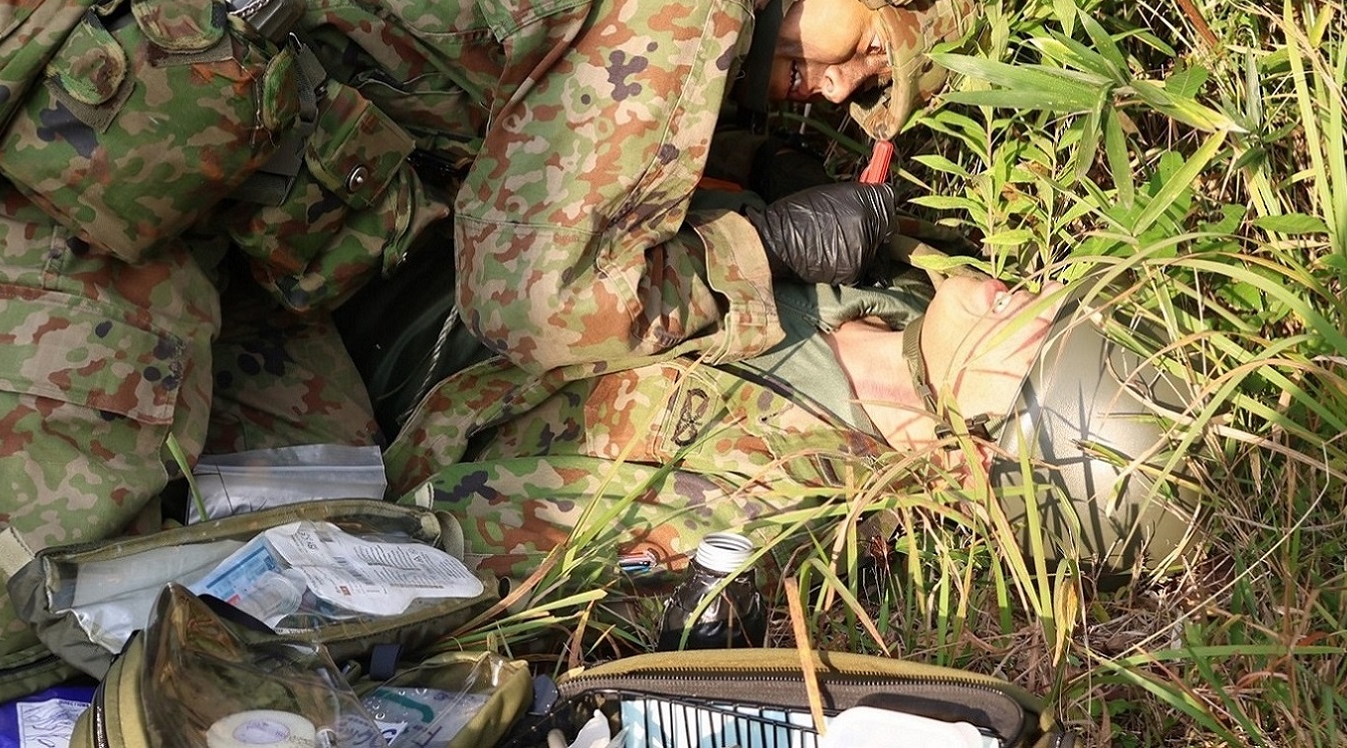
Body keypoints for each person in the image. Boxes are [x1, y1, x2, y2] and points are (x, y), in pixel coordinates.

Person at [0, 0, 981, 742]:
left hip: (145, 166)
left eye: (867, 91)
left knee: (310, 538)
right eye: (862, 48)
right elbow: (541, 305)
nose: (835, 86)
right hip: (59, 167)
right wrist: (766, 252)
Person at [341, 240, 1200, 586]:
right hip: (427, 233)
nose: (1035, 298)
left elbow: (419, 545)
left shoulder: (755, 501)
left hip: (360, 357)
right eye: (1061, 305)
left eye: (1042, 342)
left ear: (979, 454)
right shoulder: (902, 302)